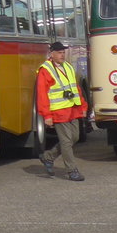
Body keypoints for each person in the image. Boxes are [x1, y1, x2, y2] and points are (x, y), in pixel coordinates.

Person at [37, 41, 88, 181]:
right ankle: (72, 171)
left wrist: (83, 106)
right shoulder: (45, 70)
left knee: (75, 137)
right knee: (66, 142)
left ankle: (48, 157)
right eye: (59, 52)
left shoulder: (68, 67)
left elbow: (76, 88)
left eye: (63, 52)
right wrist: (46, 115)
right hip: (59, 111)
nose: (62, 55)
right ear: (51, 54)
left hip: (72, 109)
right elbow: (42, 95)